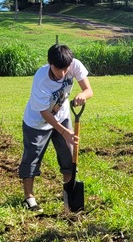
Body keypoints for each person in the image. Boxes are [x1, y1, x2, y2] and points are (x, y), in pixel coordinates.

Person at [19, 43, 93, 213]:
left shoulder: (74, 65)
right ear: (50, 64)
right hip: (36, 123)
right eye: (58, 69)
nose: (63, 73)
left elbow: (88, 90)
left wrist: (82, 95)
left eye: (65, 69)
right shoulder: (40, 79)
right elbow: (44, 113)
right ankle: (29, 198)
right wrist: (63, 131)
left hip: (62, 116)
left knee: (68, 155)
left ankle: (67, 192)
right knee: (32, 158)